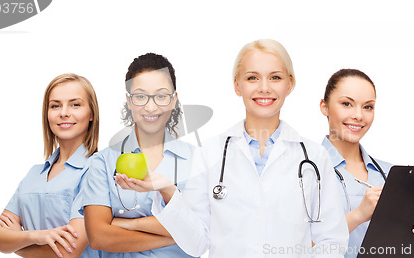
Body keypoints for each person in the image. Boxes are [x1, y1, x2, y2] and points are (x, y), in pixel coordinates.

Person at [115, 39, 349, 257]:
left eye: (275, 77)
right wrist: (167, 190)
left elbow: (332, 241)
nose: (264, 88)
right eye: (252, 78)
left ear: (290, 84)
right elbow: (197, 243)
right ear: (237, 86)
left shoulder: (314, 157)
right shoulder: (210, 153)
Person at [319, 68, 414, 257]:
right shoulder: (304, 169)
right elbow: (293, 244)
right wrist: (358, 215)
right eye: (347, 104)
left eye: (368, 106)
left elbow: (398, 250)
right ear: (324, 107)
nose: (359, 115)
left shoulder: (390, 174)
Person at [79, 53, 196, 257]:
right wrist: (177, 234)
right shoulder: (102, 163)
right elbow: (98, 237)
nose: (151, 107)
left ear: (173, 100)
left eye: (161, 96)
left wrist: (125, 224)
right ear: (129, 100)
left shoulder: (197, 160)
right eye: (141, 96)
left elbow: (203, 227)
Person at [0, 73, 101, 257]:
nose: (64, 112)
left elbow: (68, 250)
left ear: (92, 114)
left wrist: (16, 240)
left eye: (75, 104)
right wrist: (35, 236)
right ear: (47, 114)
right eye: (55, 105)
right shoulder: (34, 174)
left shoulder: (97, 170)